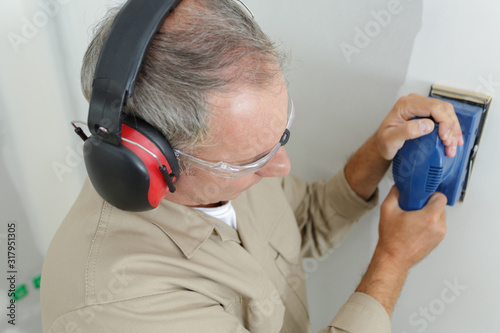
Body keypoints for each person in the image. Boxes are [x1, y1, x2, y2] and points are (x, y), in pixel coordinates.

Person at [40, 0, 463, 332]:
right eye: (253, 159)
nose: (281, 165)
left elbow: (307, 221)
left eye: (281, 134)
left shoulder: (226, 166)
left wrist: (378, 150)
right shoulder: (119, 302)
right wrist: (393, 259)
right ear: (152, 160)